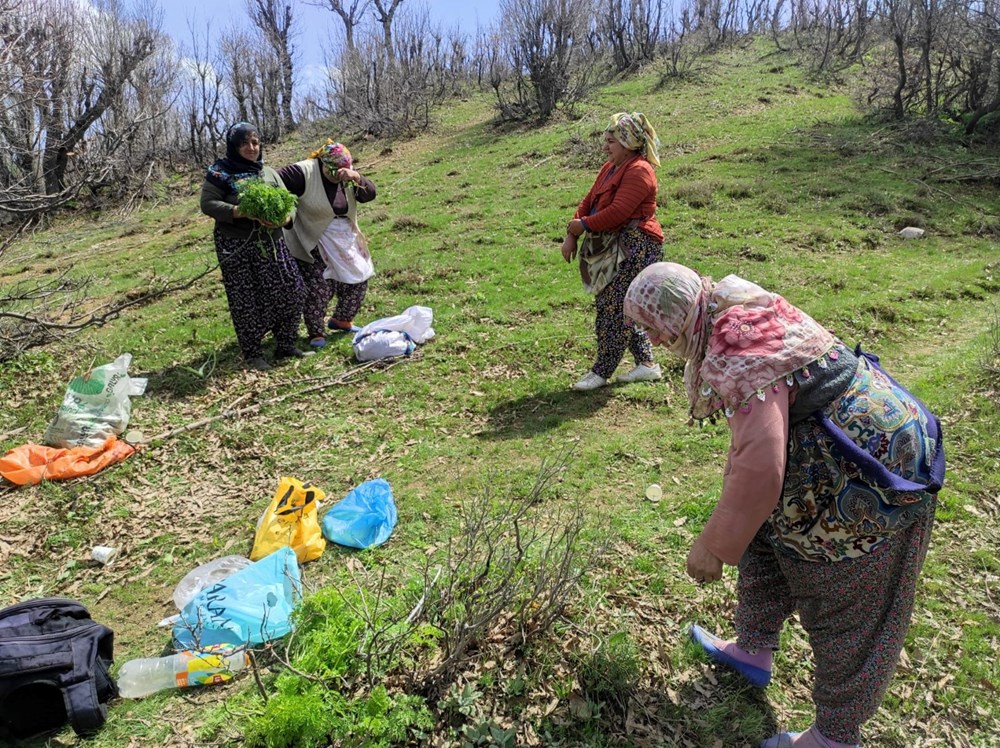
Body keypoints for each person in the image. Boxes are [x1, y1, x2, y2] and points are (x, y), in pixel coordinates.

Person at [623, 263, 945, 748]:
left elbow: (761, 470)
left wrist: (713, 544)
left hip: (875, 472)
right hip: (823, 459)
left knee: (844, 604)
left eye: (651, 325)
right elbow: (756, 449)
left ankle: (834, 737)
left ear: (675, 312)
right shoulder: (721, 314)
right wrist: (735, 523)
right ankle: (753, 651)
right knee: (767, 539)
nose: (650, 337)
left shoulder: (737, 347)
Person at [561, 111, 665, 391]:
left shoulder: (640, 170)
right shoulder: (610, 168)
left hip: (636, 247)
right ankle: (647, 365)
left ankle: (601, 371)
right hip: (612, 246)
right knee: (622, 305)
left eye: (611, 141)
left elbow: (618, 213)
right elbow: (589, 201)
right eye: (606, 140)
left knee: (614, 308)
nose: (605, 146)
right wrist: (573, 232)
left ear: (629, 143)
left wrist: (583, 226)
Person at [199, 122, 307, 371]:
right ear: (234, 145)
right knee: (245, 298)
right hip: (235, 244)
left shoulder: (268, 172)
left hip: (271, 240)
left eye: (255, 142)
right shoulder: (220, 172)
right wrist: (241, 211)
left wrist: (285, 218)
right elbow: (208, 204)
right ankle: (253, 353)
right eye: (244, 143)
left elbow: (289, 203)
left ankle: (286, 344)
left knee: (292, 288)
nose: (251, 147)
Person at [278, 141, 377, 349]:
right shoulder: (303, 171)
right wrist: (285, 212)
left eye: (343, 170)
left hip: (344, 236)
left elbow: (370, 194)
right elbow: (274, 182)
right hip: (314, 237)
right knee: (320, 286)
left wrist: (357, 177)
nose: (337, 175)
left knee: (359, 277)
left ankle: (342, 319)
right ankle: (316, 332)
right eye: (333, 171)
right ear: (323, 163)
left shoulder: (347, 177)